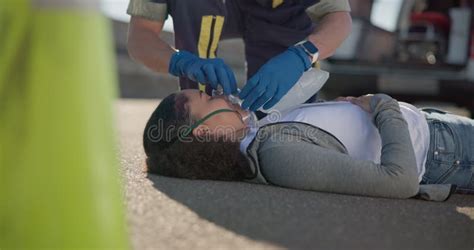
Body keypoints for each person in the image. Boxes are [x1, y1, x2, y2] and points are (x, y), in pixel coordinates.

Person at [143, 89, 474, 201]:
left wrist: (342, 106)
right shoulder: (277, 156)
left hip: (436, 130)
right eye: (208, 98)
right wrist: (383, 105)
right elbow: (399, 181)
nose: (219, 95)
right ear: (202, 133)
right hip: (447, 152)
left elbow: (328, 136)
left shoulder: (257, 137)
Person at [127, 0, 352, 111]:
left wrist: (303, 54)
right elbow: (140, 36)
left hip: (279, 14)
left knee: (276, 116)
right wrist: (181, 61)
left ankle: (279, 120)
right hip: (209, 8)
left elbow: (338, 18)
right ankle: (207, 109)